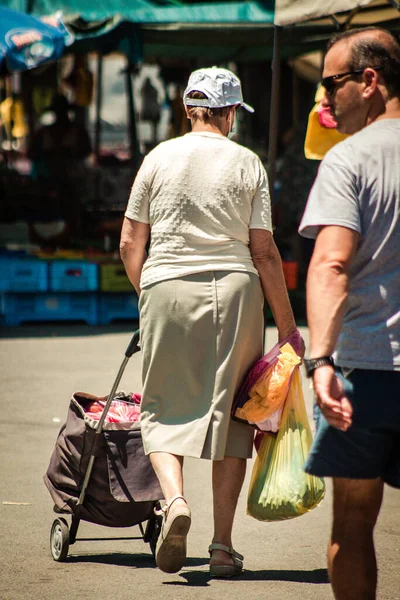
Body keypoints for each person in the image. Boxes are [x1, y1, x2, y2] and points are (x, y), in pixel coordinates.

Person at [120, 66, 302, 576]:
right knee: (233, 417)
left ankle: (174, 502)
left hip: (166, 284)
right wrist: (288, 331)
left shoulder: (157, 158)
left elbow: (130, 243)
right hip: (236, 291)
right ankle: (221, 547)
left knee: (161, 408)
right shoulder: (247, 162)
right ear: (228, 114)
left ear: (187, 109)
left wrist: (150, 295)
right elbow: (263, 252)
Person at [299, 27, 400, 600]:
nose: (322, 101)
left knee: (354, 520)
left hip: (368, 371)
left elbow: (330, 265)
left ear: (369, 81)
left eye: (331, 84)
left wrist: (319, 361)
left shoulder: (348, 161)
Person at [28, 93, 92, 236]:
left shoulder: (78, 131)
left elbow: (87, 150)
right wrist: (50, 154)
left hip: (73, 182)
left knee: (72, 212)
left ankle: (73, 235)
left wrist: (68, 153)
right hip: (48, 182)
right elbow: (31, 154)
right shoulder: (43, 132)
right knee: (49, 213)